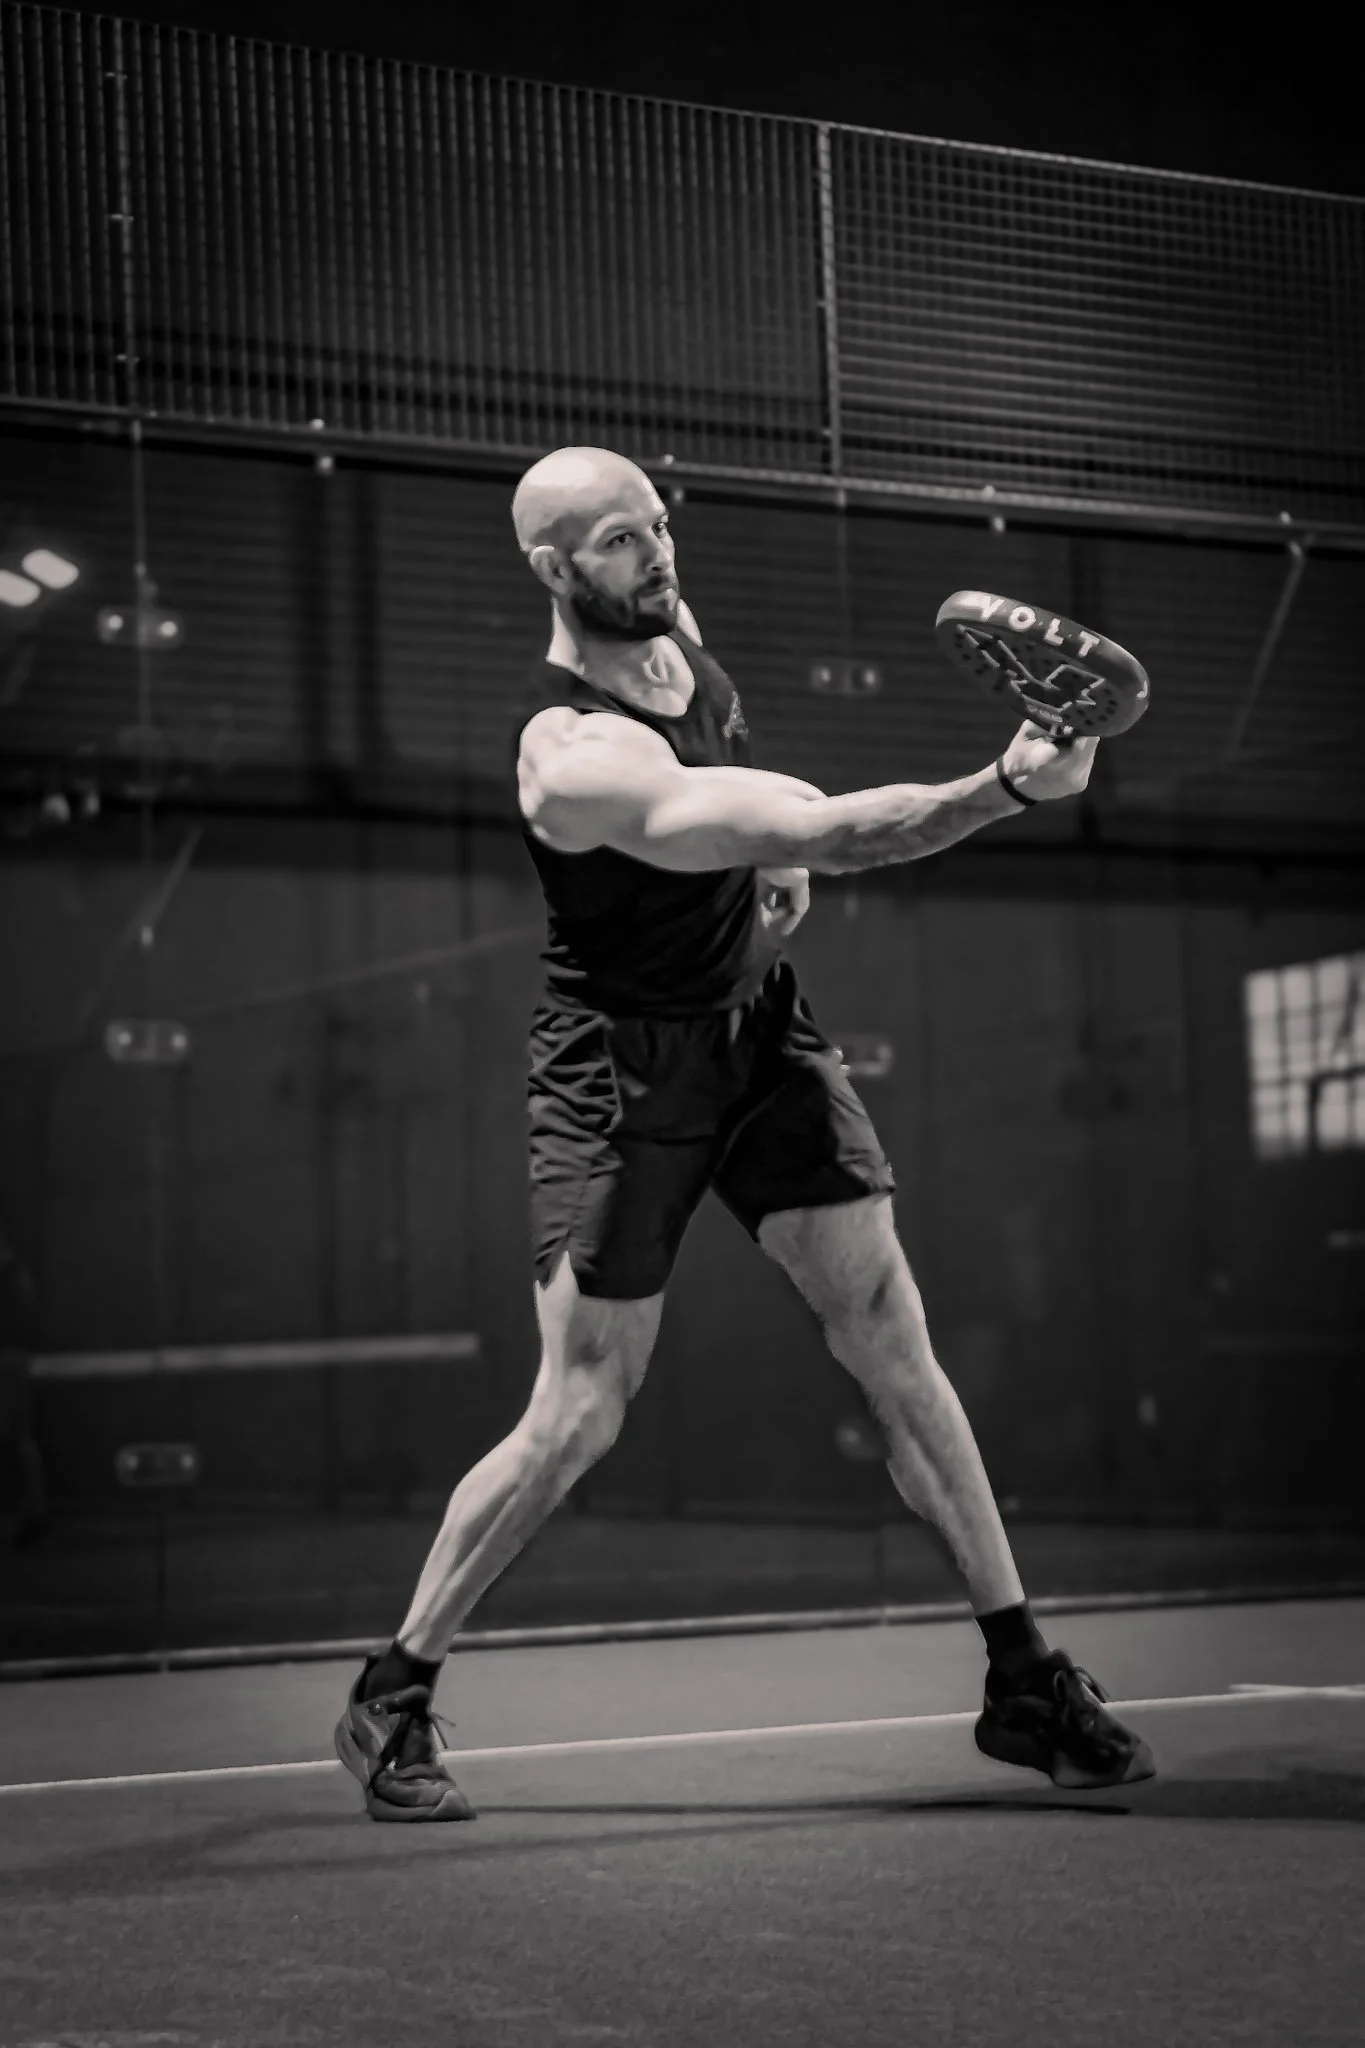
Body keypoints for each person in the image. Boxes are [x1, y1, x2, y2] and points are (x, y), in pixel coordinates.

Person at [335, 446, 1155, 1821]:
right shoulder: (573, 758)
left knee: (893, 1339)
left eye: (658, 524)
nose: (656, 554)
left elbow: (758, 798)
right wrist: (1004, 787)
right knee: (582, 1410)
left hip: (760, 1033)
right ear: (552, 568)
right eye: (618, 540)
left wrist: (770, 862)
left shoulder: (674, 635)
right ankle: (394, 1689)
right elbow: (829, 828)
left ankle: (1023, 1676)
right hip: (619, 1074)